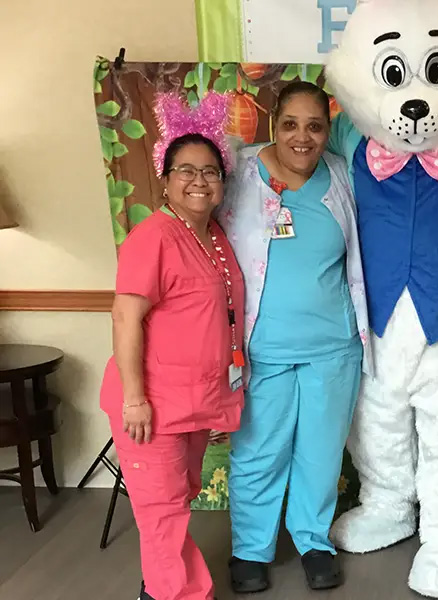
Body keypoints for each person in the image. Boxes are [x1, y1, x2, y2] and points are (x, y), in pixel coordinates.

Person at [218, 81, 372, 594]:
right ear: (272, 125)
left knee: (321, 454)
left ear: (328, 131)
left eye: (314, 126)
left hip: (334, 348)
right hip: (262, 349)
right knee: (258, 451)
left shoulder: (342, 175)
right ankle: (250, 549)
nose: (302, 137)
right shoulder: (237, 173)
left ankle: (312, 541)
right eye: (290, 124)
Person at [99, 91, 244, 600]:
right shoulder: (153, 237)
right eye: (186, 170)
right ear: (165, 179)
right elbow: (125, 317)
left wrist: (219, 401)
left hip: (193, 403)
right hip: (151, 405)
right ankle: (180, 593)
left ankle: (158, 584)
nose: (199, 180)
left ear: (222, 183)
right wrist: (134, 399)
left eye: (210, 172)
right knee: (162, 511)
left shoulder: (215, 236)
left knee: (177, 501)